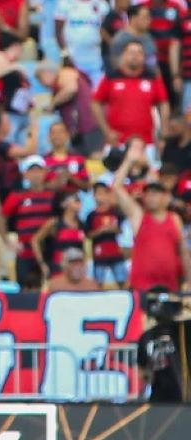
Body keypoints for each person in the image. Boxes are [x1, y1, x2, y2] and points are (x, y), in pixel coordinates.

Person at [115, 142, 191, 293]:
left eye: (155, 194)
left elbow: (183, 252)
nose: (150, 198)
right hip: (142, 287)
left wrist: (189, 281)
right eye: (148, 194)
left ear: (166, 197)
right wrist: (128, 161)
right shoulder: (139, 216)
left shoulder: (174, 218)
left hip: (170, 286)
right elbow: (117, 188)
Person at [93, 40, 170, 149]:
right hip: (116, 141)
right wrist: (106, 131)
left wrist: (163, 133)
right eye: (131, 52)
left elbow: (164, 104)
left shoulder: (152, 78)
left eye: (139, 53)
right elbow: (95, 103)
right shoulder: (111, 77)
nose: (135, 56)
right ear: (123, 55)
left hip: (146, 142)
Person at [2, 155, 55, 284]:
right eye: (32, 171)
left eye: (39, 170)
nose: (36, 174)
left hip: (48, 253)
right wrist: (7, 240)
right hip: (24, 253)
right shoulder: (17, 196)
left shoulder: (53, 196)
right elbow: (1, 217)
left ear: (45, 173)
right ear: (25, 174)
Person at [137, 285, 189, 402]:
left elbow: (143, 374)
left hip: (159, 401)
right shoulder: (184, 328)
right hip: (182, 398)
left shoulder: (146, 337)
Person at [55, 0, 108, 83]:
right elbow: (58, 32)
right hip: (73, 58)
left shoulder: (101, 4)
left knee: (97, 90)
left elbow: (106, 30)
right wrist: (65, 54)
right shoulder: (65, 3)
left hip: (95, 58)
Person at [86, 182, 128, 286]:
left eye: (103, 193)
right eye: (98, 193)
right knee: (98, 282)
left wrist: (113, 229)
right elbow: (88, 235)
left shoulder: (115, 212)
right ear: (94, 196)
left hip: (116, 251)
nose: (101, 196)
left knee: (122, 281)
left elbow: (123, 230)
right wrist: (100, 231)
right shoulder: (91, 215)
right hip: (99, 253)